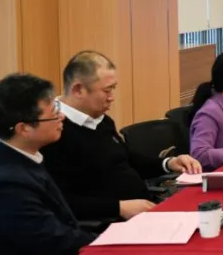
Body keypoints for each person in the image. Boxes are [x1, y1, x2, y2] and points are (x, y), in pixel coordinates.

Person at [40, 51, 201, 222]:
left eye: (113, 89)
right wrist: (119, 207)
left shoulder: (101, 120)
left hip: (144, 210)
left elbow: (128, 160)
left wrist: (169, 163)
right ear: (78, 90)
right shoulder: (53, 132)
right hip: (109, 223)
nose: (112, 98)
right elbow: (61, 201)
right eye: (106, 90)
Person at [0, 74, 94, 255]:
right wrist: (106, 242)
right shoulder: (5, 183)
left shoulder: (19, 157)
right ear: (24, 128)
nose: (62, 118)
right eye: (54, 114)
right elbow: (52, 240)